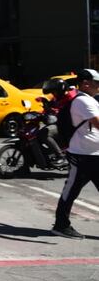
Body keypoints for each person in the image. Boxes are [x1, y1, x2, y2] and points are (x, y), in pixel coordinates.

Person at [52, 69, 99, 239]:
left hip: (94, 154)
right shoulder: (83, 102)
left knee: (72, 190)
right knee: (71, 190)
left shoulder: (90, 100)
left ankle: (61, 224)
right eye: (97, 83)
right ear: (86, 83)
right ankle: (61, 225)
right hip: (82, 155)